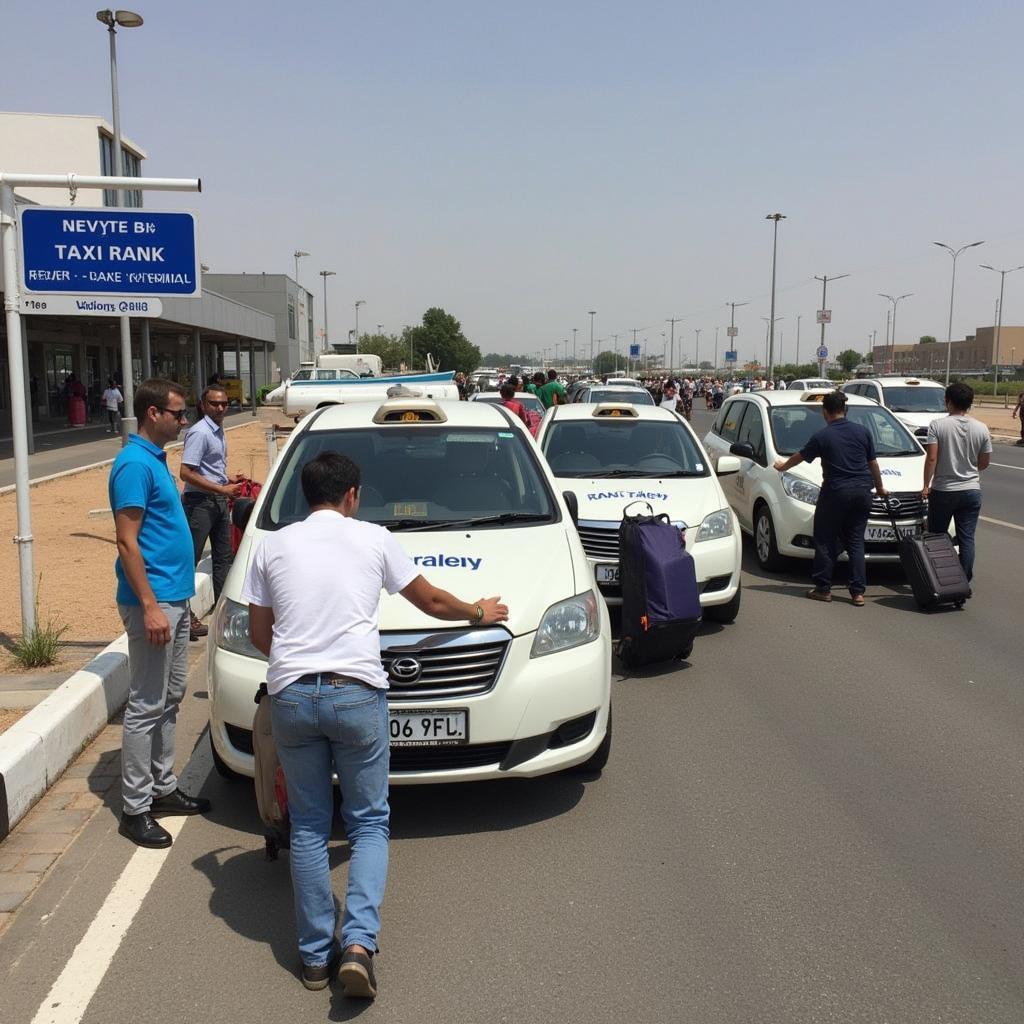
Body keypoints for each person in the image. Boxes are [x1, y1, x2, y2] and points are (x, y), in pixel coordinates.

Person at [242, 452, 508, 997]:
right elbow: (431, 601)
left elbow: (259, 633)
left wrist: (295, 663)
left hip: (292, 695)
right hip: (357, 694)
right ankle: (358, 945)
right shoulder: (373, 538)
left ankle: (315, 957)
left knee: (312, 825)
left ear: (305, 495)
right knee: (367, 823)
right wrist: (478, 612)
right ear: (352, 495)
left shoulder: (271, 546)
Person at [108, 379, 210, 849]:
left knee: (171, 694)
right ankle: (135, 808)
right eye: (177, 413)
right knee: (146, 704)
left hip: (175, 597)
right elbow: (127, 541)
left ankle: (162, 786)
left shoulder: (154, 459)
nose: (183, 420)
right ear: (153, 414)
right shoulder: (132, 465)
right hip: (155, 603)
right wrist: (149, 606)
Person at [773, 390, 886, 605]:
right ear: (845, 410)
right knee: (855, 541)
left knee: (824, 539)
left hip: (836, 492)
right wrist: (880, 488)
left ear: (825, 412)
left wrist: (781, 467)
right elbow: (873, 464)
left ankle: (823, 588)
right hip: (863, 491)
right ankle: (858, 592)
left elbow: (800, 457)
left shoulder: (823, 436)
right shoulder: (863, 432)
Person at [180, 384, 245, 641]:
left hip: (218, 500)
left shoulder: (217, 431)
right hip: (200, 504)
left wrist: (228, 480)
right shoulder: (200, 432)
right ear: (203, 405)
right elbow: (186, 472)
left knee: (223, 559)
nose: (220, 408)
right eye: (215, 404)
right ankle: (184, 618)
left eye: (224, 404)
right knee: (190, 560)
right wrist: (221, 487)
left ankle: (223, 615)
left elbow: (207, 468)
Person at [921, 381, 992, 584]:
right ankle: (964, 579)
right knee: (966, 538)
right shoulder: (981, 428)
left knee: (937, 538)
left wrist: (926, 485)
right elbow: (985, 462)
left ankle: (939, 579)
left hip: (944, 491)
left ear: (947, 401)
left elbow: (932, 458)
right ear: (970, 403)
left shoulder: (937, 425)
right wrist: (967, 469)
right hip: (971, 490)